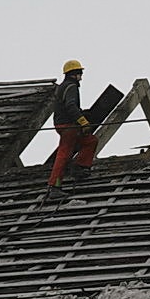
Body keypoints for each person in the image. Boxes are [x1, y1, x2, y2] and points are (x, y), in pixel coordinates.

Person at [46, 59, 96, 198]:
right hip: (68, 126)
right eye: (80, 73)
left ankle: (80, 168)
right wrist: (83, 121)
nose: (81, 76)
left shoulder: (63, 86)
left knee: (90, 141)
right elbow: (71, 106)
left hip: (65, 125)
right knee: (64, 155)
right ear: (74, 74)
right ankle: (54, 186)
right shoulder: (71, 87)